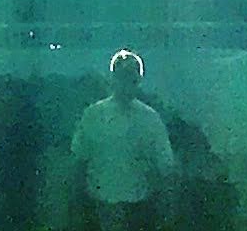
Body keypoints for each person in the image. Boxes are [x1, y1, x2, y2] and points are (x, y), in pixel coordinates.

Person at [71, 50, 177, 231]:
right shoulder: (94, 115)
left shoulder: (150, 119)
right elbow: (79, 161)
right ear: (112, 79)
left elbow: (165, 167)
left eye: (131, 78)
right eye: (122, 77)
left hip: (136, 208)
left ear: (139, 80)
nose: (126, 84)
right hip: (100, 207)